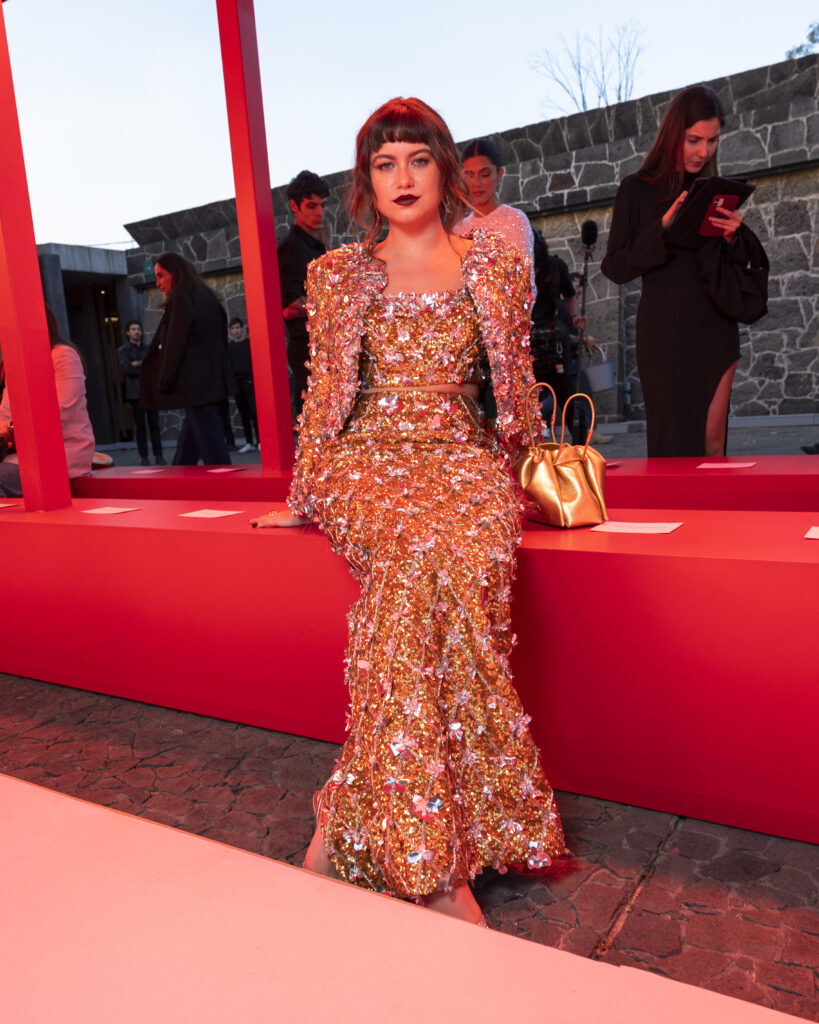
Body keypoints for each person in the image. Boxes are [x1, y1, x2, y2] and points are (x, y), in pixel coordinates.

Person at [251, 97, 565, 926]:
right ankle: (433, 870)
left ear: (443, 169)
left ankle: (345, 815)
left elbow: (513, 384)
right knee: (415, 555)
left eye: (417, 160)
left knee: (457, 560)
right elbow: (325, 393)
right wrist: (303, 497)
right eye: (384, 163)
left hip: (460, 456)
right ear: (366, 181)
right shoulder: (336, 274)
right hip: (363, 459)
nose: (402, 177)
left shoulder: (493, 265)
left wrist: (532, 475)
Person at [601, 85, 766, 457]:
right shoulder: (636, 189)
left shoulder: (715, 189)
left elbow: (730, 266)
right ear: (674, 133)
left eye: (712, 141)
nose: (704, 152)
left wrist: (733, 237)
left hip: (716, 327)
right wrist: (662, 226)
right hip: (664, 334)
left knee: (713, 443)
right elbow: (615, 266)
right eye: (694, 140)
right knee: (672, 450)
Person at [140, 253, 234, 466]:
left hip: (194, 387)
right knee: (190, 443)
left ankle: (224, 486)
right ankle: (180, 478)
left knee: (214, 453)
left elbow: (174, 344)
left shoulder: (182, 299)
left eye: (161, 275)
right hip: (211, 382)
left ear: (175, 273)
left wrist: (165, 381)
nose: (158, 283)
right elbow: (220, 341)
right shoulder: (207, 297)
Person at [0, 304, 94, 496]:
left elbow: (59, 412)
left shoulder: (63, 356)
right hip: (18, 454)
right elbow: (4, 413)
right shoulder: (16, 361)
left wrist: (12, 432)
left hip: (61, 452)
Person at [277, 170, 329, 425]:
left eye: (322, 205)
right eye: (311, 206)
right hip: (307, 349)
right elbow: (288, 308)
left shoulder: (314, 245)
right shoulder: (292, 248)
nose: (319, 213)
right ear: (294, 206)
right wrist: (337, 304)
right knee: (314, 425)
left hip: (323, 346)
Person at [117, 321, 165, 465]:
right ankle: (144, 457)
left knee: (155, 426)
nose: (136, 331)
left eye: (138, 329)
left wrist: (138, 364)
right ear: (128, 332)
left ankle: (159, 455)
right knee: (140, 428)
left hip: (150, 392)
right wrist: (143, 365)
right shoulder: (123, 350)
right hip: (135, 394)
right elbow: (127, 370)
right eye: (133, 329)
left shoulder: (149, 348)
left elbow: (155, 368)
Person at [227, 317, 258, 452]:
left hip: (249, 382)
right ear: (230, 330)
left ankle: (259, 441)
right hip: (237, 384)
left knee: (254, 412)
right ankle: (249, 442)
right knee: (243, 414)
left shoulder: (249, 344)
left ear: (242, 328)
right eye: (233, 328)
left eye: (238, 327)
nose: (236, 331)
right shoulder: (230, 347)